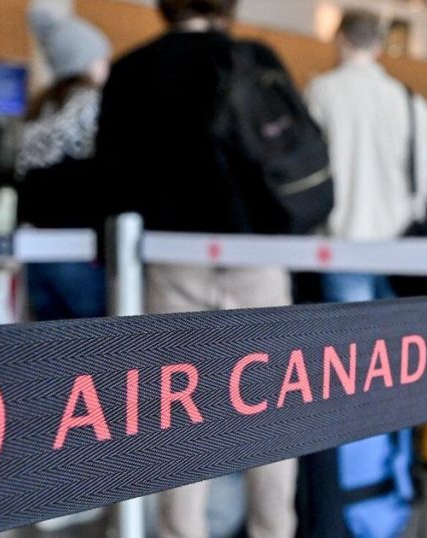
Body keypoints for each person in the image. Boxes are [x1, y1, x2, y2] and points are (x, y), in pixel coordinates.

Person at [96, 1, 299, 536]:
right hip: (257, 254)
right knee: (273, 412)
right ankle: (272, 529)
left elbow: (111, 180)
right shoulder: (256, 58)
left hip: (171, 256)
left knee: (177, 416)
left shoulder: (133, 69)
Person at [300, 10, 427, 537]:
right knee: (395, 369)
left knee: (348, 376)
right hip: (399, 251)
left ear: (340, 38)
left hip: (339, 251)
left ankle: (354, 494)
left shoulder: (320, 92)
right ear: (382, 45)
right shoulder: (410, 102)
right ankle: (388, 481)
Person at [17, 1, 112, 321]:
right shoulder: (93, 106)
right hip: (80, 253)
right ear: (86, 62)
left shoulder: (39, 111)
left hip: (37, 254)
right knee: (93, 358)